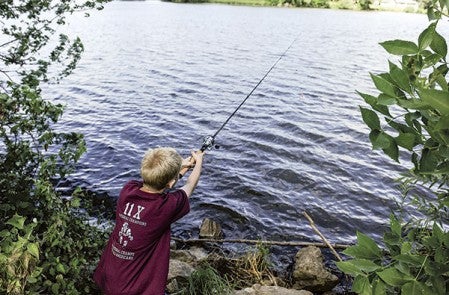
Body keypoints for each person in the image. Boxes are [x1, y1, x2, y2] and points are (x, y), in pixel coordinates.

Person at [93, 147, 205, 295]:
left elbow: (155, 183)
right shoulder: (165, 208)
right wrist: (198, 163)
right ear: (171, 183)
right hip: (133, 287)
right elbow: (190, 185)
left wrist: (180, 167)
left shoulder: (128, 189)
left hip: (111, 274)